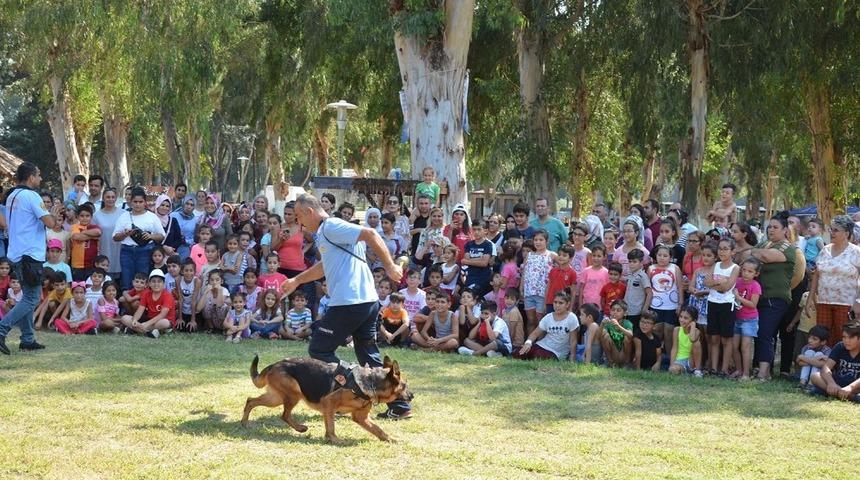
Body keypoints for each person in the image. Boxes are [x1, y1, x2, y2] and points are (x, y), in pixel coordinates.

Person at [280, 194, 410, 420]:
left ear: (309, 211)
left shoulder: (331, 226)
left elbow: (370, 234)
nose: (299, 223)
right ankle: (399, 404)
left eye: (300, 217)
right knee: (366, 350)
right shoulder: (326, 234)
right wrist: (297, 280)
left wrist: (389, 266)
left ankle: (351, 388)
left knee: (319, 349)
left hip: (350, 301)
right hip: (367, 301)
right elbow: (324, 266)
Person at [0, 162, 61, 354]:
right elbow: (50, 223)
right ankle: (2, 329)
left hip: (16, 252)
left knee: (27, 295)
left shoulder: (11, 196)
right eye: (39, 175)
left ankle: (27, 338)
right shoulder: (32, 196)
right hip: (30, 254)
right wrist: (54, 213)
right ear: (30, 177)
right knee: (33, 298)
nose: (40, 179)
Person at [750, 212, 797, 381]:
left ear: (785, 230)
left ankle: (764, 373)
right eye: (769, 226)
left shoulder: (787, 247)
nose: (771, 230)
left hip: (777, 298)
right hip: (760, 296)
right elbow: (747, 256)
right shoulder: (766, 242)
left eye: (775, 227)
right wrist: (753, 251)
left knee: (765, 333)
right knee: (760, 333)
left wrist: (752, 251)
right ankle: (762, 370)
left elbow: (763, 256)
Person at [808, 215, 860, 347]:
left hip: (846, 304)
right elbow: (816, 275)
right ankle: (824, 367)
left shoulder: (856, 252)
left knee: (844, 340)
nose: (831, 233)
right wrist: (810, 298)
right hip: (823, 302)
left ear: (846, 233)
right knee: (822, 339)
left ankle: (842, 367)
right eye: (831, 229)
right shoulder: (825, 250)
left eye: (836, 230)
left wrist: (858, 302)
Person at [113, 187, 166, 292]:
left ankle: (143, 305)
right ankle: (126, 307)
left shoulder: (152, 217)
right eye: (135, 202)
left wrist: (151, 236)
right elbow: (115, 237)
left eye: (140, 202)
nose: (138, 204)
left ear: (145, 202)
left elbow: (162, 236)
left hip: (145, 251)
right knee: (126, 281)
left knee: (143, 281)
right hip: (127, 251)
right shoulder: (123, 217)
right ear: (131, 202)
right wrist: (125, 234)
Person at [705, 238, 739, 376]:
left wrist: (716, 283)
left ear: (732, 251)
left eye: (726, 249)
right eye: (720, 248)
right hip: (713, 302)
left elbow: (726, 287)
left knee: (726, 339)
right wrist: (720, 282)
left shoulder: (735, 268)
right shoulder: (716, 265)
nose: (722, 251)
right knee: (714, 338)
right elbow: (706, 282)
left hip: (726, 305)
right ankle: (713, 368)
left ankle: (724, 369)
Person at [516, 290, 579, 361]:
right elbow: (535, 333)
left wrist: (572, 359)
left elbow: (573, 341)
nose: (557, 305)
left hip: (556, 353)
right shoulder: (548, 317)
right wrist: (528, 343)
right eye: (555, 302)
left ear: (567, 304)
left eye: (561, 303)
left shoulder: (571, 318)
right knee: (519, 352)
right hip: (542, 346)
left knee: (538, 356)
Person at [809, 322, 860, 403]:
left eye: (850, 338)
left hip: (856, 385)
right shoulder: (840, 346)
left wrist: (850, 387)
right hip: (838, 383)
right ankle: (850, 397)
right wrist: (831, 383)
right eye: (844, 337)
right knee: (815, 376)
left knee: (818, 390)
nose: (846, 341)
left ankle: (836, 394)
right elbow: (826, 368)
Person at [119, 269, 176, 338]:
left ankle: (136, 330)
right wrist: (135, 320)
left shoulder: (167, 295)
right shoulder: (146, 294)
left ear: (163, 284)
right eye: (153, 281)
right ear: (149, 284)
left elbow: (162, 315)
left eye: (159, 281)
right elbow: (140, 310)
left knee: (164, 323)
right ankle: (150, 332)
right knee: (124, 318)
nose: (156, 284)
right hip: (149, 321)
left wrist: (146, 324)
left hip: (161, 321)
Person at [733, 258, 762, 380]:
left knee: (745, 347)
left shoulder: (755, 286)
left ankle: (746, 373)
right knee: (734, 346)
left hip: (749, 320)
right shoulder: (737, 281)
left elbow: (752, 304)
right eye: (744, 270)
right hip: (736, 318)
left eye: (750, 271)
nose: (745, 273)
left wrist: (738, 297)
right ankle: (739, 370)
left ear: (756, 274)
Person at [93, 188, 124, 280]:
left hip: (120, 251)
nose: (110, 199)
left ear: (116, 198)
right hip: (104, 249)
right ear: (103, 198)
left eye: (113, 197)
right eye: (108, 197)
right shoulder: (96, 216)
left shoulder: (123, 214)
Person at [668, 306, 704, 376]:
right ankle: (685, 372)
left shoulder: (697, 331)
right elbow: (674, 348)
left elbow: (692, 339)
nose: (681, 320)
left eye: (686, 318)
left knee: (696, 343)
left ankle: (697, 371)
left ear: (694, 320)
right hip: (679, 361)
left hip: (690, 360)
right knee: (673, 369)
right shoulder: (677, 330)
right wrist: (672, 364)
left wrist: (693, 325)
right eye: (681, 317)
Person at [599, 299, 634, 367]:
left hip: (623, 354)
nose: (615, 312)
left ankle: (627, 363)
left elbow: (631, 335)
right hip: (613, 354)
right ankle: (609, 362)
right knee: (605, 336)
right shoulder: (608, 322)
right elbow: (599, 336)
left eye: (618, 310)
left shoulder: (627, 323)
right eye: (613, 310)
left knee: (627, 338)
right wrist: (602, 324)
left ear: (625, 313)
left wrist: (618, 326)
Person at [170, 196, 197, 261]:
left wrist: (185, 240)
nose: (189, 206)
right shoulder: (173, 215)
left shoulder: (195, 220)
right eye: (187, 203)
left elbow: (194, 238)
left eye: (192, 205)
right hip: (171, 246)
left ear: (194, 207)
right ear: (183, 204)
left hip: (185, 247)